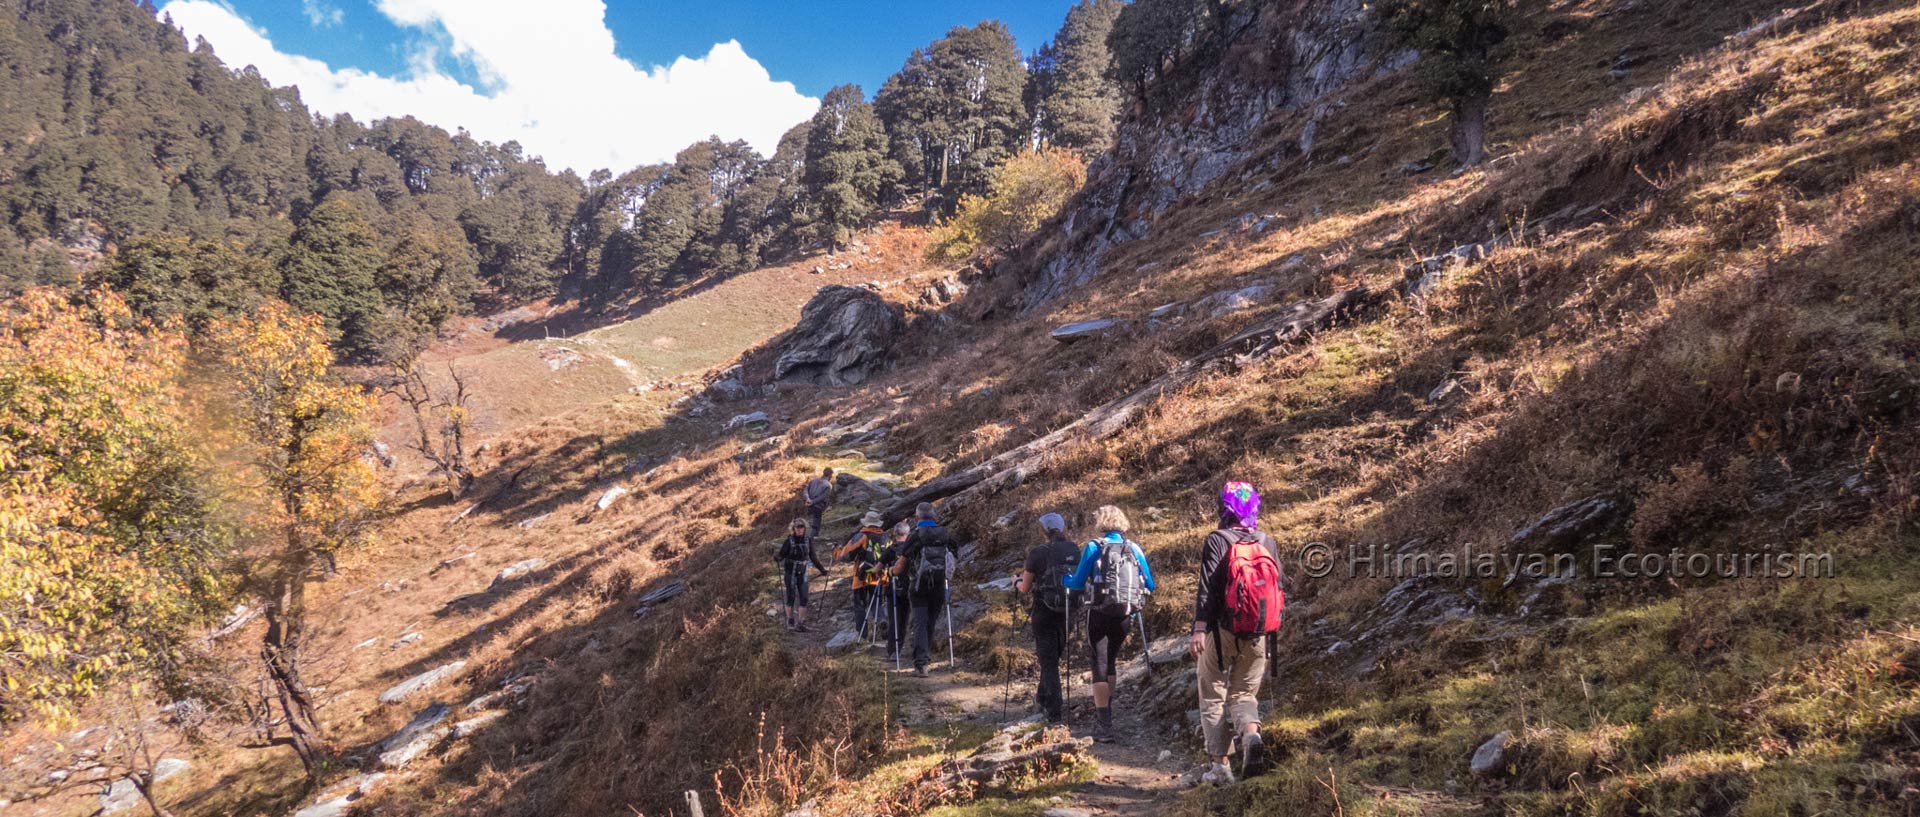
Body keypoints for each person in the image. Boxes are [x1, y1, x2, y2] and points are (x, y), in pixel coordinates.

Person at [1189, 481, 1285, 784]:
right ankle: (1250, 734)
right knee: (1244, 693)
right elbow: (1280, 586)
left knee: (1213, 695)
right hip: (1259, 631)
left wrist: (1199, 628)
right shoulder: (1266, 540)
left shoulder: (1218, 539)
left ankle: (1221, 766)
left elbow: (1209, 589)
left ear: (1224, 507)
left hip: (1221, 631)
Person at [1063, 505, 1155, 743]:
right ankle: (1107, 713)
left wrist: (1064, 578)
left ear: (1101, 523)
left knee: (1099, 663)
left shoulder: (1095, 546)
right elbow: (1151, 585)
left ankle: (1104, 724)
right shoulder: (1133, 548)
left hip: (1099, 612)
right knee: (1111, 661)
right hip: (1126, 613)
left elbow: (1076, 583)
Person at [1016, 512, 1080, 725]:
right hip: (1069, 610)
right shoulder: (1074, 549)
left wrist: (1015, 582)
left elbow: (1025, 588)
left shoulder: (1037, 553)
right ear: (1062, 528)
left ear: (1044, 531)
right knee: (1054, 657)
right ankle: (1042, 699)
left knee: (1048, 660)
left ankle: (1054, 712)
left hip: (1043, 611)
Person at [892, 502, 954, 677]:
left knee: (919, 622)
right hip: (940, 583)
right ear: (934, 515)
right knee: (931, 621)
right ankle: (925, 657)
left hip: (919, 585)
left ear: (918, 517)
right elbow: (953, 555)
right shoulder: (944, 533)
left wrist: (892, 571)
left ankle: (921, 663)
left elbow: (902, 562)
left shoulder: (916, 535)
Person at [835, 511, 891, 639]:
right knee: (877, 602)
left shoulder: (861, 536)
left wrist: (837, 552)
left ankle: (862, 635)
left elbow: (846, 556)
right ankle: (882, 620)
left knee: (860, 605)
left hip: (861, 576)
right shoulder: (886, 537)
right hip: (879, 576)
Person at [775, 517, 829, 632]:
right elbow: (782, 555)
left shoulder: (807, 540)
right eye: (797, 527)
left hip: (803, 572)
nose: (799, 529)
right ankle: (790, 621)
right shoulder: (788, 541)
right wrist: (777, 558)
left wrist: (822, 570)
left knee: (804, 598)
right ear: (793, 529)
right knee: (791, 597)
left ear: (805, 528)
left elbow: (813, 557)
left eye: (802, 527)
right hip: (790, 572)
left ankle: (801, 623)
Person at [803, 467, 836, 541]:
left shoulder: (813, 481)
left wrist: (808, 499)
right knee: (816, 523)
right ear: (830, 475)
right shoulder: (828, 485)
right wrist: (813, 502)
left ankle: (806, 538)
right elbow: (823, 497)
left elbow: (805, 491)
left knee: (808, 522)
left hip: (808, 505)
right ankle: (812, 540)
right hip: (818, 506)